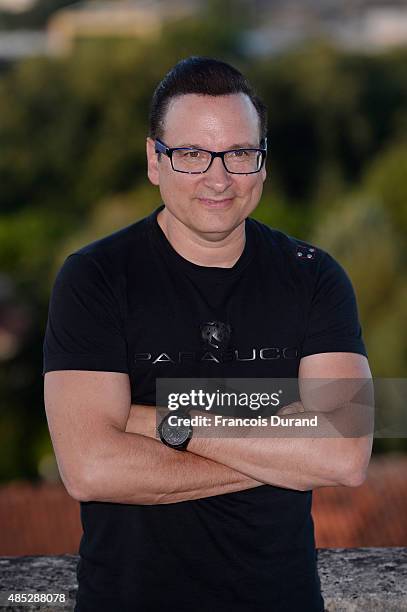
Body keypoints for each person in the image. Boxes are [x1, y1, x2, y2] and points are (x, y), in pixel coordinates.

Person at [43, 57, 372, 612]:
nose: (218, 179)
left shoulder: (313, 276)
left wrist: (166, 420)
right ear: (155, 160)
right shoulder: (95, 277)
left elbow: (344, 456)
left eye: (240, 154)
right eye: (193, 155)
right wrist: (281, 449)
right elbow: (91, 469)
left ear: (262, 163)